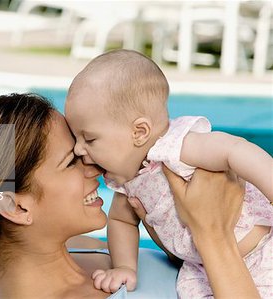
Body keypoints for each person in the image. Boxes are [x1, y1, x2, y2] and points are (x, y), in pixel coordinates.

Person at [0, 93, 261, 299]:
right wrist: (213, 236)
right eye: (72, 161)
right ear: (17, 205)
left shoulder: (84, 252)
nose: (96, 168)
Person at [65, 49, 273, 298]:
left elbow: (234, 150)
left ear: (139, 132)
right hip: (204, 271)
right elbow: (121, 222)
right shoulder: (126, 182)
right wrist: (125, 267)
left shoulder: (178, 147)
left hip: (263, 246)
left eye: (89, 138)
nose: (78, 149)